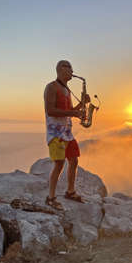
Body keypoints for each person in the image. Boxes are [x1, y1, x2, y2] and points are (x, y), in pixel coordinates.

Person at [43, 60, 90, 210]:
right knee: (59, 164)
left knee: (74, 160)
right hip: (55, 132)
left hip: (67, 132)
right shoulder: (51, 87)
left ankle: (70, 192)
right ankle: (50, 198)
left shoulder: (67, 90)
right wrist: (74, 112)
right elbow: (50, 110)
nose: (71, 70)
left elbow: (69, 111)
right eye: (68, 67)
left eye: (71, 67)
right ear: (60, 69)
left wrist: (82, 104)